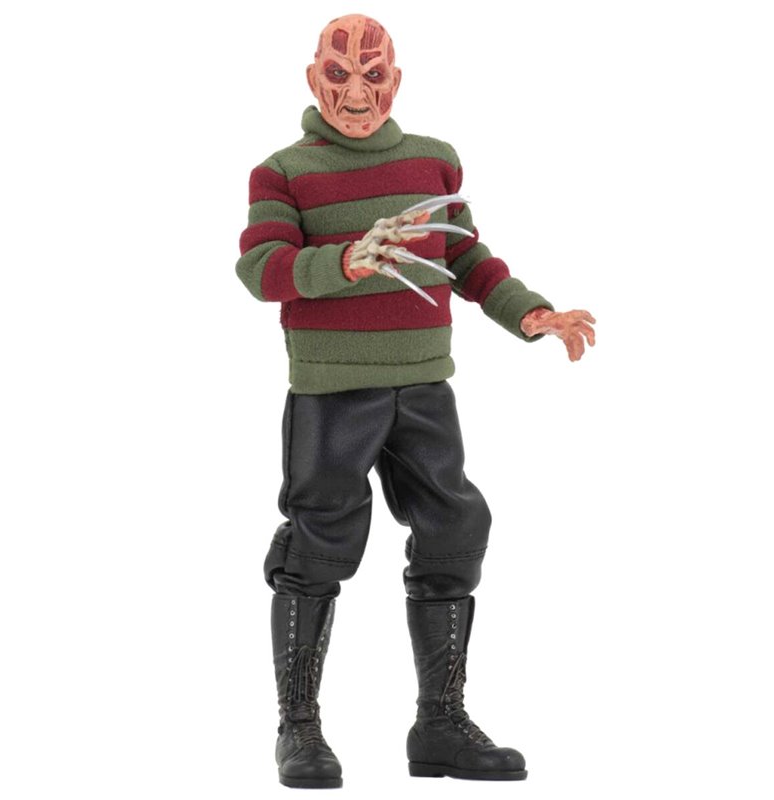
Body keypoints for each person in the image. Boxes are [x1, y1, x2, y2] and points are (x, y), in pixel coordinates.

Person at [236, 13, 595, 788]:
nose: (356, 93)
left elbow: (466, 257)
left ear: (395, 81)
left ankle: (441, 724)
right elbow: (261, 268)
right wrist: (345, 262)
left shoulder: (433, 161)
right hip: (333, 392)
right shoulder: (283, 172)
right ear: (314, 80)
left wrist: (530, 314)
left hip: (426, 386)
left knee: (455, 529)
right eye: (339, 75)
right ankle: (298, 728)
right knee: (318, 545)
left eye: (373, 75)